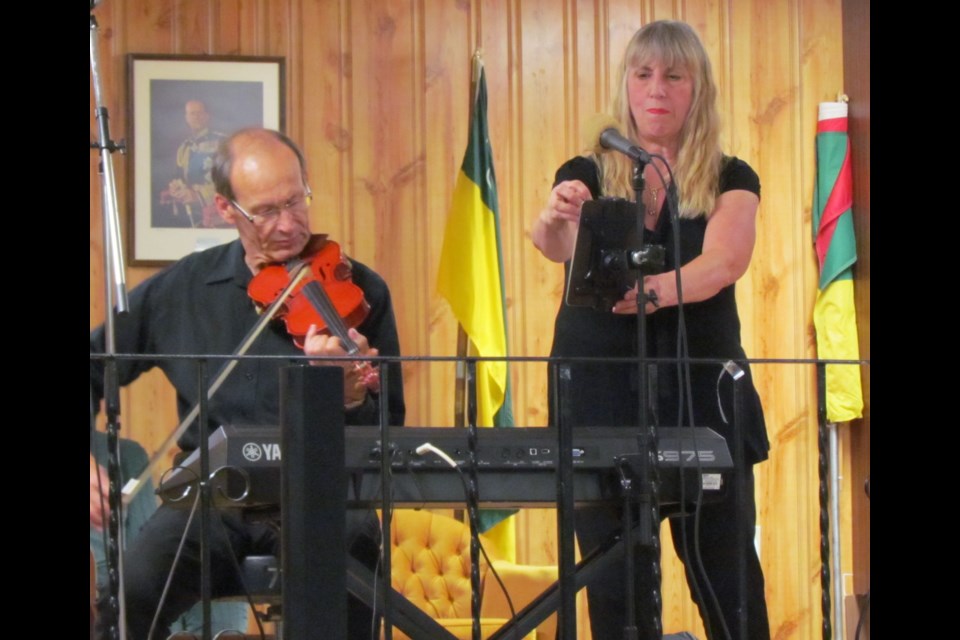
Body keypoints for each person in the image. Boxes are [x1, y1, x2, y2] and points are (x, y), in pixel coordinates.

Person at [91, 128, 405, 640]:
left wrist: (348, 398)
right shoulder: (182, 290)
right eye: (265, 212)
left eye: (296, 201)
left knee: (352, 583)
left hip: (322, 495)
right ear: (225, 208)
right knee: (130, 594)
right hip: (210, 501)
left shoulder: (359, 290)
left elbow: (390, 423)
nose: (288, 225)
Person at [530, 20, 770, 640]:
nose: (656, 89)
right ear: (626, 86)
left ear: (698, 89)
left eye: (672, 75)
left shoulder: (729, 175)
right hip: (601, 399)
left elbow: (724, 262)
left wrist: (653, 294)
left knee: (727, 578)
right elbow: (553, 246)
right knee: (615, 589)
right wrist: (555, 214)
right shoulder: (587, 166)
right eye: (643, 75)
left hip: (701, 401)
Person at [161, 99, 228, 228]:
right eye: (192, 114)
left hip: (219, 217)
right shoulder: (184, 147)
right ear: (186, 118)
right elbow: (179, 177)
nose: (196, 117)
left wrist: (199, 195)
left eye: (199, 113)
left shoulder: (223, 142)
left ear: (207, 116)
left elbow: (231, 182)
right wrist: (176, 188)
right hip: (191, 216)